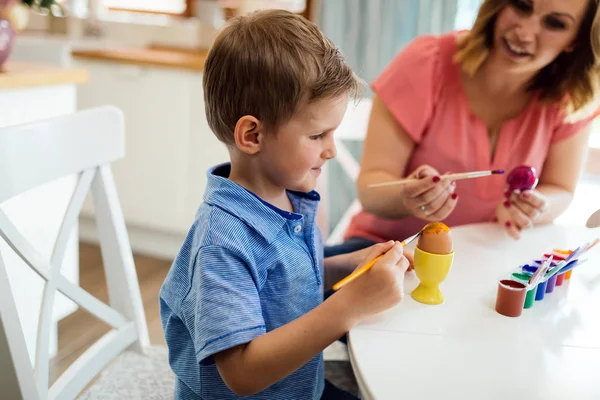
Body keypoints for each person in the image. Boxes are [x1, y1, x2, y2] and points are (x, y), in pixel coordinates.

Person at [158, 9, 410, 400]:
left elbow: (279, 283)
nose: (330, 150)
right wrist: (349, 306)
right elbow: (242, 373)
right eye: (317, 135)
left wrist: (347, 267)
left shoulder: (285, 194)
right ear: (253, 135)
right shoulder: (222, 243)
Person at [325, 0, 600, 258]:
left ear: (576, 39)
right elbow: (371, 188)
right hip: (385, 251)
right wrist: (408, 197)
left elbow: (560, 189)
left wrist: (535, 207)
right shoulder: (426, 63)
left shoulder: (570, 102)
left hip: (482, 260)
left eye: (555, 23)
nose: (524, 33)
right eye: (521, 5)